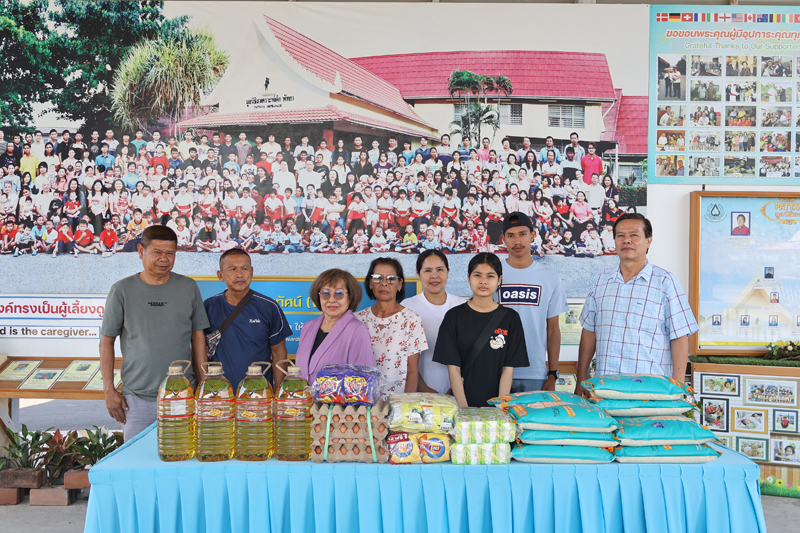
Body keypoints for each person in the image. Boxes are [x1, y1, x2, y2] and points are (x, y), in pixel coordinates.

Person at [99, 226, 210, 441]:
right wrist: (108, 390)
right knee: (137, 459)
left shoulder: (188, 287)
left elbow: (198, 338)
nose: (164, 259)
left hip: (182, 395)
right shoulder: (121, 290)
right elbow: (106, 343)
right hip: (136, 399)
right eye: (157, 252)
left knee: (182, 454)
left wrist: (203, 384)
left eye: (170, 253)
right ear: (141, 251)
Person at [574, 213, 698, 397]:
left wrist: (678, 388)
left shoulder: (665, 282)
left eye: (634, 235)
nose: (626, 240)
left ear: (648, 241)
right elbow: (589, 332)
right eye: (620, 235)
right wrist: (581, 379)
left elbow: (679, 336)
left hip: (650, 393)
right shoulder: (602, 281)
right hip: (604, 390)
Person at [433, 253, 529, 407]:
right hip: (462, 403)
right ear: (468, 277)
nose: (483, 281)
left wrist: (499, 408)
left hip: (497, 404)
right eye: (477, 275)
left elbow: (508, 369)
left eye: (490, 276)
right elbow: (454, 369)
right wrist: (464, 410)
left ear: (499, 280)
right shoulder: (454, 317)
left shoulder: (511, 318)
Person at [497, 212, 567, 392]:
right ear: (503, 239)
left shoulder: (550, 278)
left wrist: (553, 374)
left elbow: (553, 329)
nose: (517, 241)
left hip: (535, 375)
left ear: (533, 235)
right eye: (510, 236)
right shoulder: (491, 274)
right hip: (495, 372)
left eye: (522, 234)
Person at [203, 249, 292, 388]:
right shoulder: (209, 306)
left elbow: (278, 353)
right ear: (220, 275)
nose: (239, 274)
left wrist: (279, 391)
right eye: (233, 269)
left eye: (244, 269)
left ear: (251, 272)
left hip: (259, 392)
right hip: (219, 392)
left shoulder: (269, 307)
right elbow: (199, 350)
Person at [356, 257, 427, 394]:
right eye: (378, 278)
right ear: (370, 283)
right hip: (363, 401)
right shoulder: (358, 320)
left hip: (398, 400)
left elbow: (412, 371)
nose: (384, 283)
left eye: (391, 279)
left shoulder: (411, 320)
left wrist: (405, 403)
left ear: (399, 284)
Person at [402, 250, 467, 394]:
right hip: (419, 394)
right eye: (427, 270)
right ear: (418, 274)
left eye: (440, 270)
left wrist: (455, 389)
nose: (434, 276)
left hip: (459, 393)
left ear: (448, 272)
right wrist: (426, 390)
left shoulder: (463, 307)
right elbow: (402, 358)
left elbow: (470, 356)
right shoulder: (407, 308)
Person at [294, 269, 374, 381]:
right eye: (325, 294)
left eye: (339, 294)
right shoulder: (308, 327)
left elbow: (362, 381)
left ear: (350, 297)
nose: (331, 300)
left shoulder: (357, 330)